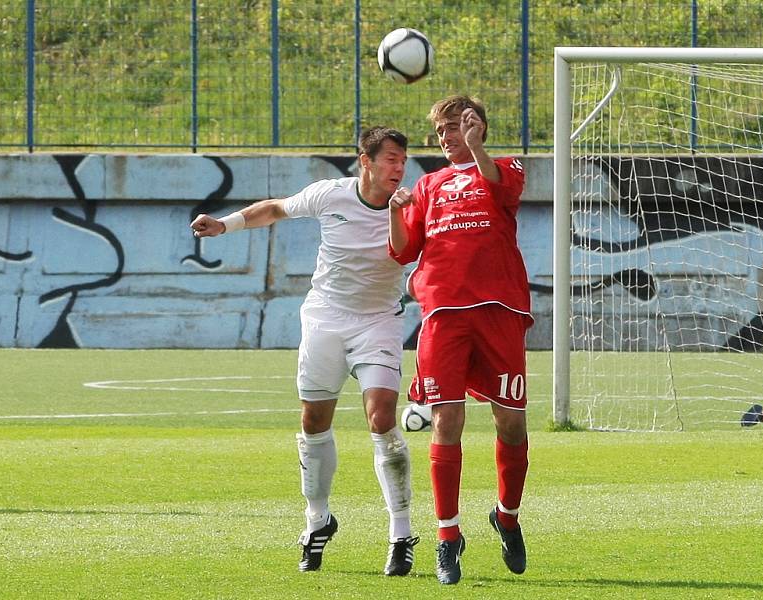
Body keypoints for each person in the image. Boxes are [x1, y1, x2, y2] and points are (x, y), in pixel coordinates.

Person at [190, 127, 418, 576]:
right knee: (314, 420)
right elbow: (275, 208)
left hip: (379, 322)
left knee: (382, 416)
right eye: (390, 158)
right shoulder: (329, 195)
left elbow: (418, 252)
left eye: (403, 159)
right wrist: (224, 225)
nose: (399, 167)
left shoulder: (411, 206)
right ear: (365, 161)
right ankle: (317, 519)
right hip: (326, 317)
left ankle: (401, 531)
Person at [388, 95, 532, 585]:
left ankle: (507, 517)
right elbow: (404, 249)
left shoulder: (505, 168)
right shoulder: (428, 185)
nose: (447, 137)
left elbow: (502, 187)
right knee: (446, 420)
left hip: (500, 312)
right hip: (444, 316)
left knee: (510, 424)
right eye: (442, 130)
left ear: (479, 127)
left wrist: (477, 149)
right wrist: (395, 209)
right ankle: (448, 539)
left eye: (456, 127)